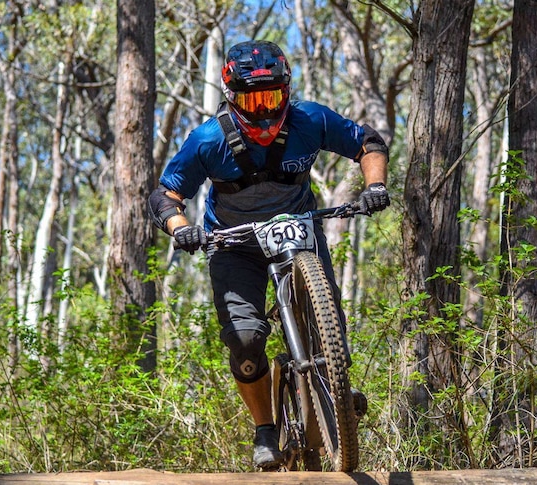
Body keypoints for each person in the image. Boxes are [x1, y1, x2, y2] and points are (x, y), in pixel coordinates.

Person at [148, 40, 390, 469]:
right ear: (231, 98)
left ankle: (335, 382)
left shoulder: (310, 119)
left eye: (271, 97)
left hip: (299, 229)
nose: (262, 110)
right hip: (235, 243)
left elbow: (367, 143)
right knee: (244, 341)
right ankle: (265, 429)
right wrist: (181, 229)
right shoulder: (208, 140)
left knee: (327, 303)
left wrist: (374, 186)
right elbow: (166, 194)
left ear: (286, 92)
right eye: (251, 99)